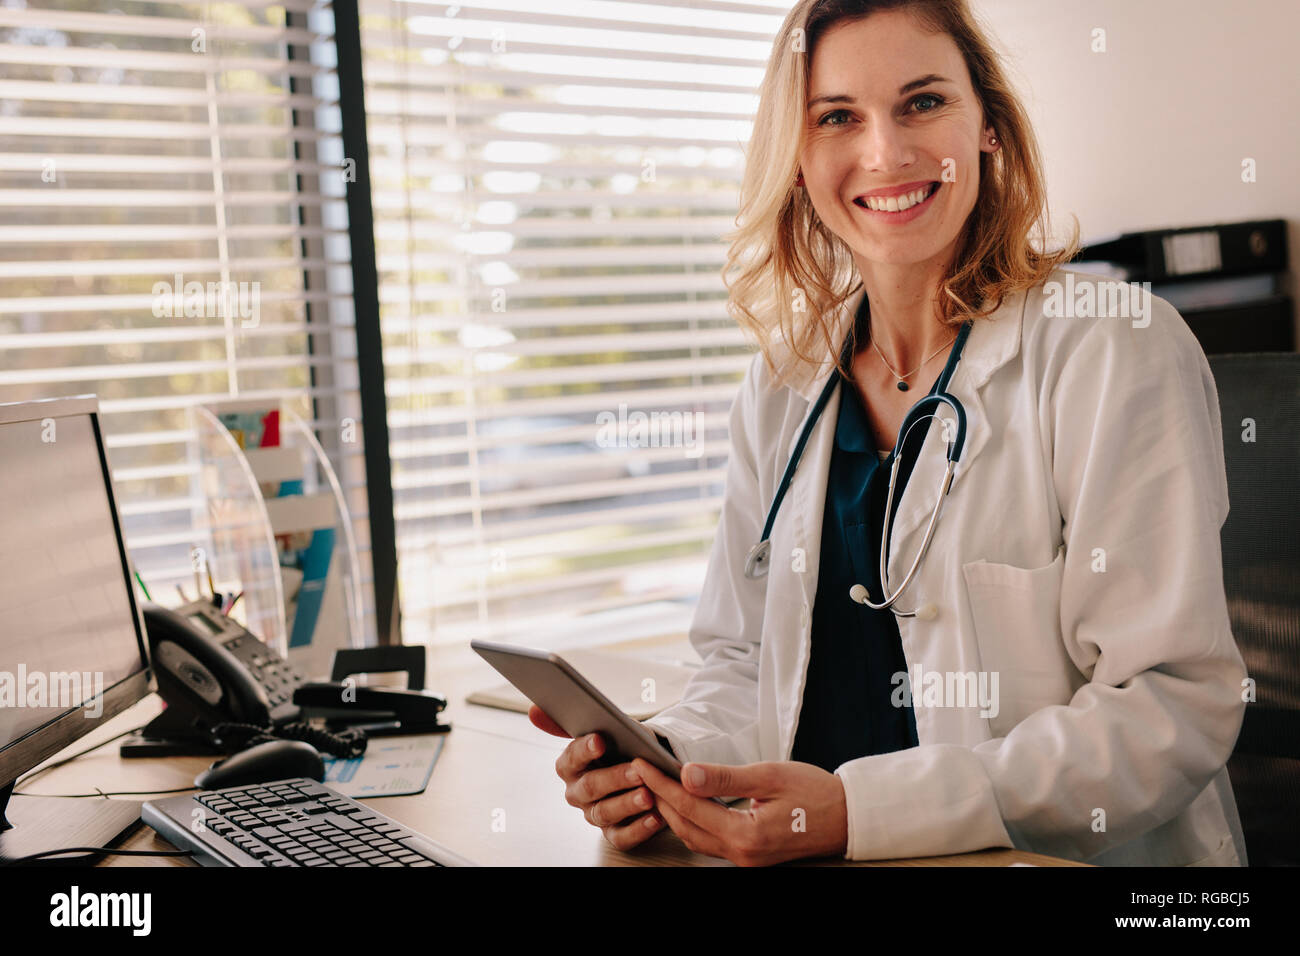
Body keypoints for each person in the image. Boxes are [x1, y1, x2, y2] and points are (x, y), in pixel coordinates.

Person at [531, 0, 1248, 866]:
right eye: (838, 117)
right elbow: (740, 659)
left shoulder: (1112, 350)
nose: (887, 152)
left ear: (988, 125)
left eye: (924, 103)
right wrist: (672, 764)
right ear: (797, 160)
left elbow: (1170, 705)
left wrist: (860, 809)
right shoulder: (784, 384)